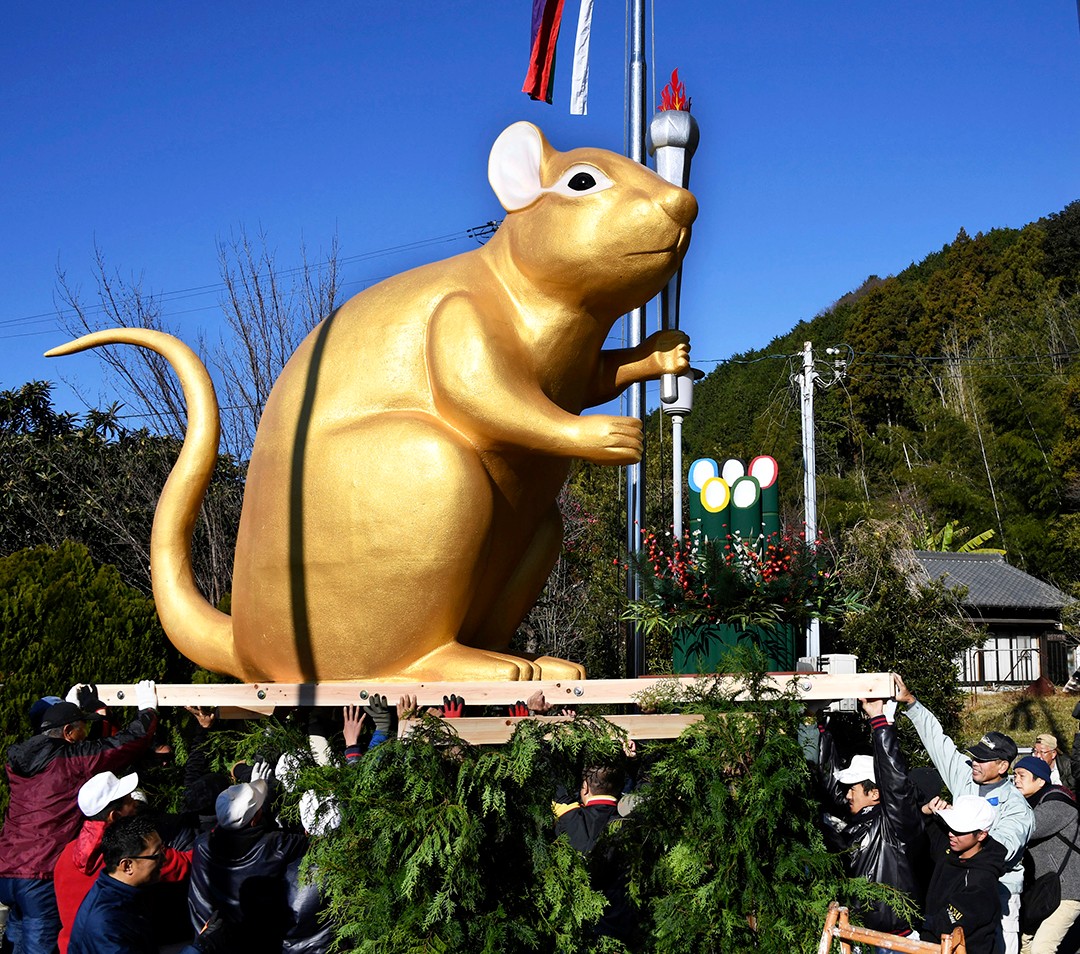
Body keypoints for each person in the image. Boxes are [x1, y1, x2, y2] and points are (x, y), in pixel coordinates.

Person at [0, 680, 159, 954]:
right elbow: (124, 745)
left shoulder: (22, 761)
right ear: (67, 732)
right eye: (82, 727)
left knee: (13, 942)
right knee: (39, 947)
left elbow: (49, 744)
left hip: (8, 870)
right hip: (41, 872)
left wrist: (69, 707)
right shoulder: (72, 761)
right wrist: (147, 712)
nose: (87, 733)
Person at [894, 673, 1034, 954]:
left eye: (983, 759)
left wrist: (954, 826)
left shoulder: (1017, 808)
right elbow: (939, 745)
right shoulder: (966, 778)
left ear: (1003, 766)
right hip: (953, 889)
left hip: (998, 895)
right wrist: (911, 704)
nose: (974, 762)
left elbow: (999, 851)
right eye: (974, 756)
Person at [817, 699, 925, 938]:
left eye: (852, 789)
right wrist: (822, 730)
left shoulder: (894, 825)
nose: (846, 795)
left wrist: (880, 723)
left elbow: (895, 782)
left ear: (875, 793)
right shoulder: (855, 823)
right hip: (856, 934)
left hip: (895, 940)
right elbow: (830, 789)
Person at [54, 770, 192, 953]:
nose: (136, 804)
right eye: (129, 801)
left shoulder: (67, 852)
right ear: (114, 816)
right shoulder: (137, 853)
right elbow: (185, 865)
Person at [187, 774, 308, 948]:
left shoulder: (203, 845)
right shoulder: (277, 845)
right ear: (253, 820)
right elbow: (311, 840)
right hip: (261, 941)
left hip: (218, 940)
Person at [68, 815, 216, 954]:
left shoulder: (124, 892)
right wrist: (201, 946)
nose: (164, 860)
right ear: (127, 866)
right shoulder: (106, 926)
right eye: (157, 855)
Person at [554, 763, 635, 943]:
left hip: (578, 931)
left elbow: (551, 780)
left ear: (585, 787)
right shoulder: (633, 822)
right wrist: (633, 761)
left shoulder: (569, 816)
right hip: (624, 928)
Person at [921, 794, 1009, 954]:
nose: (951, 834)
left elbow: (946, 923)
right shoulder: (951, 847)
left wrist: (915, 921)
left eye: (960, 830)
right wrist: (926, 811)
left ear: (981, 835)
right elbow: (924, 828)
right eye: (950, 827)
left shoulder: (982, 881)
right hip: (932, 944)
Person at [1011, 755, 1080, 953]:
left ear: (1040, 780)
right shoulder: (1031, 803)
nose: (1016, 779)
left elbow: (1029, 828)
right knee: (1024, 942)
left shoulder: (1057, 803)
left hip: (1067, 890)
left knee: (1042, 947)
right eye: (1015, 774)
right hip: (1043, 890)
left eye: (1022, 775)